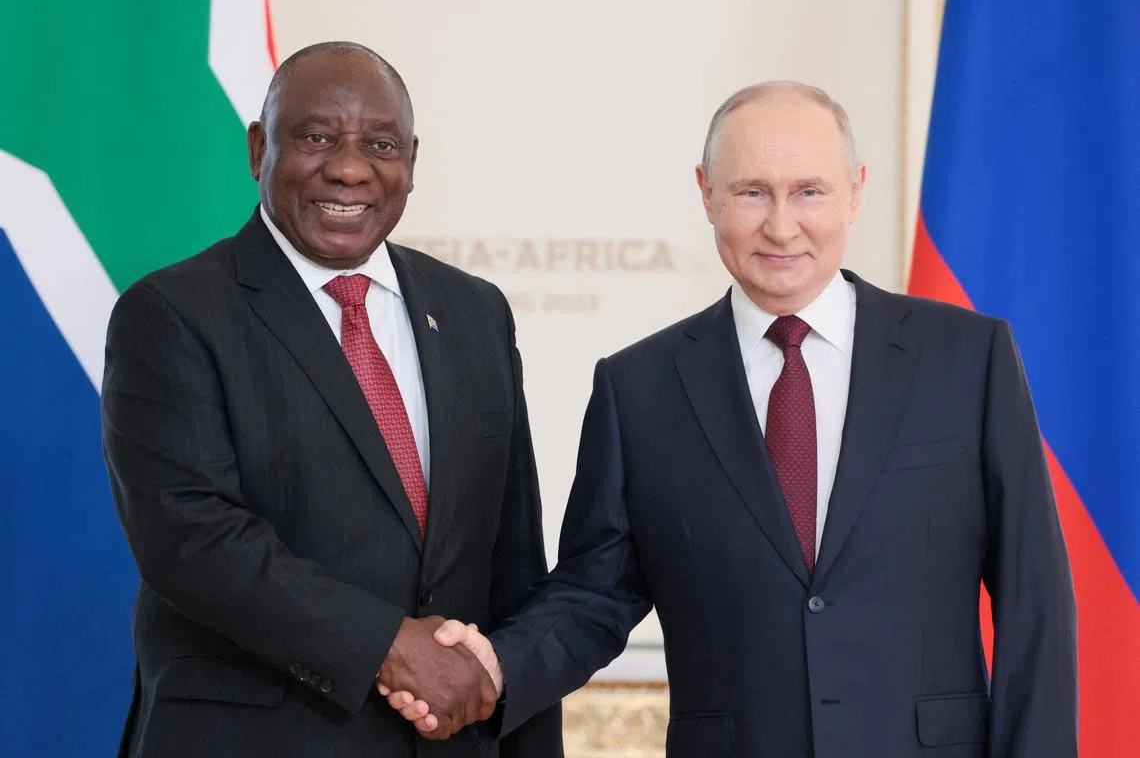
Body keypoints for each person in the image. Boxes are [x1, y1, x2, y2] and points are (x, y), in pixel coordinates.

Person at [385, 82, 1078, 757]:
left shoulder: (967, 358)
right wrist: (495, 668)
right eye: (752, 192)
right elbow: (592, 596)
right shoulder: (640, 388)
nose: (781, 225)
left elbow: (1034, 606)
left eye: (809, 191)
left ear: (856, 191)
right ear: (707, 193)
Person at [101, 41, 562, 758]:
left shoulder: (474, 311)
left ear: (411, 160)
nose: (349, 168)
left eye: (379, 145)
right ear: (259, 149)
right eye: (317, 137)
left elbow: (513, 561)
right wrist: (386, 646)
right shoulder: (171, 313)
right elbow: (191, 538)